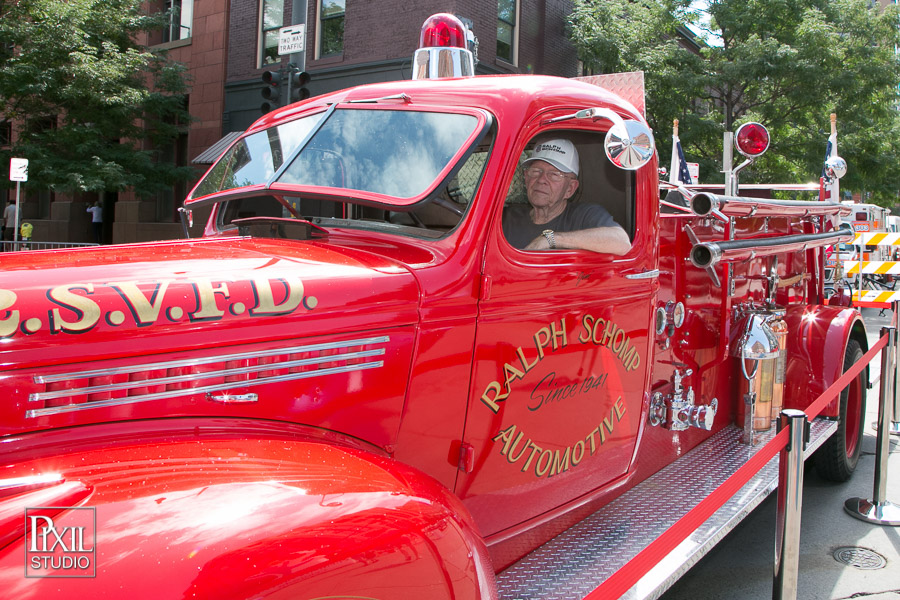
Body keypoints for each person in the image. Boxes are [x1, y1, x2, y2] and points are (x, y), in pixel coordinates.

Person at [502, 138, 631, 254]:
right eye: (536, 171)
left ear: (570, 188)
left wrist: (550, 239)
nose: (541, 180)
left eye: (554, 174)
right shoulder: (506, 218)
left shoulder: (584, 215)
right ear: (526, 178)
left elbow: (622, 242)